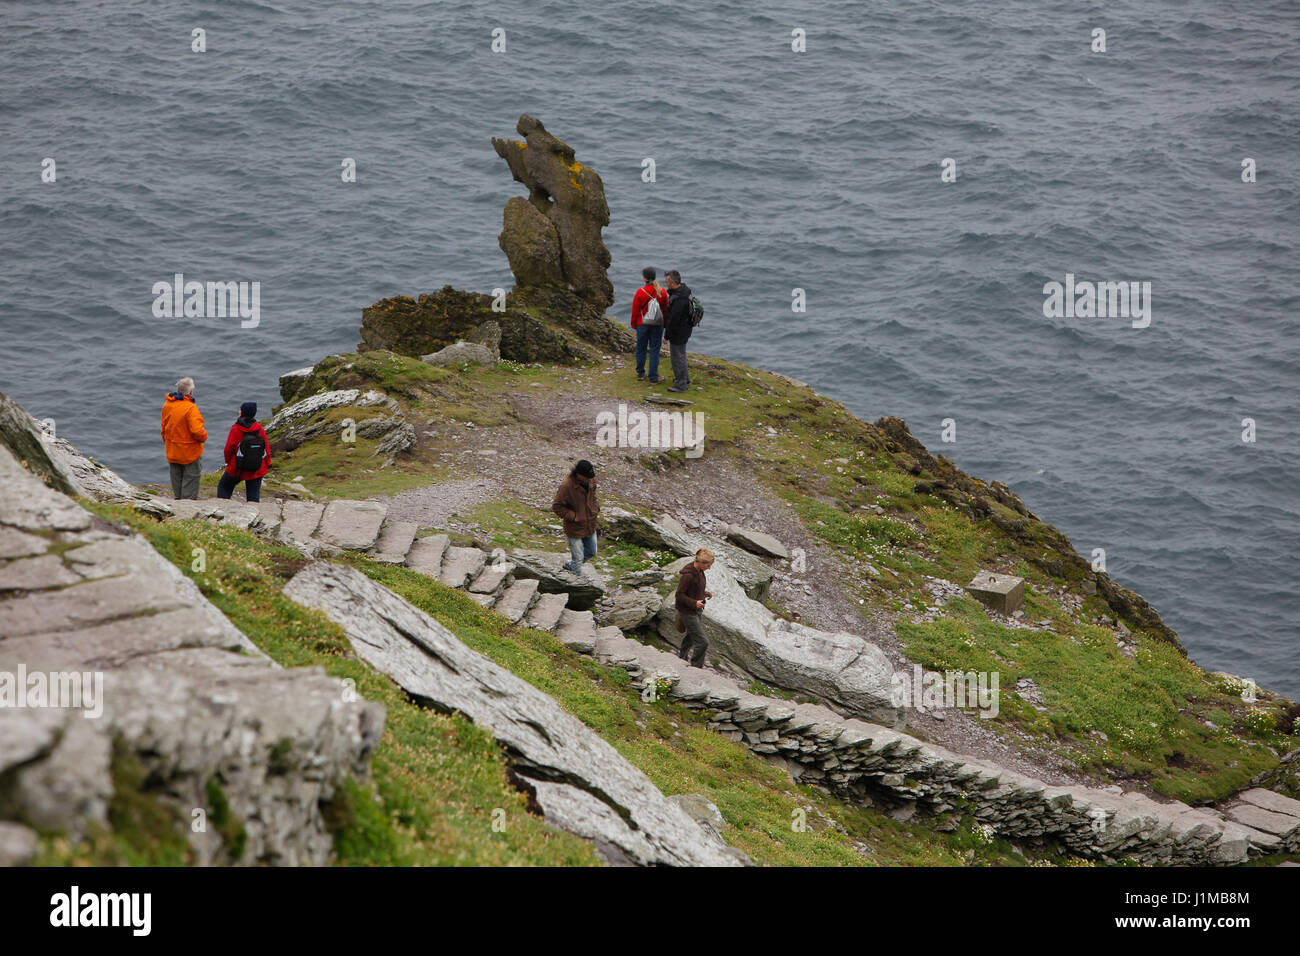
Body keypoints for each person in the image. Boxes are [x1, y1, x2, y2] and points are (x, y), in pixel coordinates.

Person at [160, 377, 207, 500]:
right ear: (191, 392)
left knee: (176, 478)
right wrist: (204, 437)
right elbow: (197, 431)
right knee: (190, 479)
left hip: (173, 449)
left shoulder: (168, 404)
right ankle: (187, 508)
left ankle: (177, 501)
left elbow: (163, 427)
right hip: (189, 451)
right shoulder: (190, 408)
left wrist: (168, 441)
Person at [552, 460, 599, 575]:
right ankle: (576, 583)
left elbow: (593, 496)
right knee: (578, 559)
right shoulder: (566, 486)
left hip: (590, 524)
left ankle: (570, 565)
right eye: (587, 477)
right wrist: (574, 517)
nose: (589, 479)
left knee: (592, 551)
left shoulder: (591, 481)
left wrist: (596, 507)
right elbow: (557, 506)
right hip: (574, 528)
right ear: (579, 474)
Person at [217, 402, 270, 502]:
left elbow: (228, 449)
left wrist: (229, 462)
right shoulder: (259, 428)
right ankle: (253, 513)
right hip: (256, 467)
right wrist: (266, 464)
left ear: (242, 413)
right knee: (253, 496)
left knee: (224, 487)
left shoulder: (236, 429)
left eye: (240, 409)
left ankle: (222, 509)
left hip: (237, 467)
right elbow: (266, 448)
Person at [675, 547, 715, 667]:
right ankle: (696, 667)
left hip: (696, 610)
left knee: (691, 636)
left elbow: (693, 589)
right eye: (708, 565)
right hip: (688, 612)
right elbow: (679, 595)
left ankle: (682, 657)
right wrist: (694, 603)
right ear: (701, 562)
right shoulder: (688, 575)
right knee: (703, 642)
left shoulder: (699, 571)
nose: (709, 568)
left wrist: (704, 593)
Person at [630, 266, 669, 384]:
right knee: (654, 349)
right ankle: (653, 377)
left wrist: (634, 324)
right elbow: (665, 310)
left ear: (644, 278)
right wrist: (665, 324)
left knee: (641, 348)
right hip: (657, 324)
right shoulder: (662, 292)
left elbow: (635, 310)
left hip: (642, 324)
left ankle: (641, 373)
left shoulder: (640, 292)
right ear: (654, 277)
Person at [663, 269, 694, 392]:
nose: (666, 284)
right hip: (686, 329)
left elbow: (673, 321)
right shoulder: (685, 291)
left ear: (673, 283)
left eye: (667, 282)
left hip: (678, 332)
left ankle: (681, 385)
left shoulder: (678, 299)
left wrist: (666, 336)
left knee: (677, 357)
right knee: (682, 355)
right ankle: (684, 379)